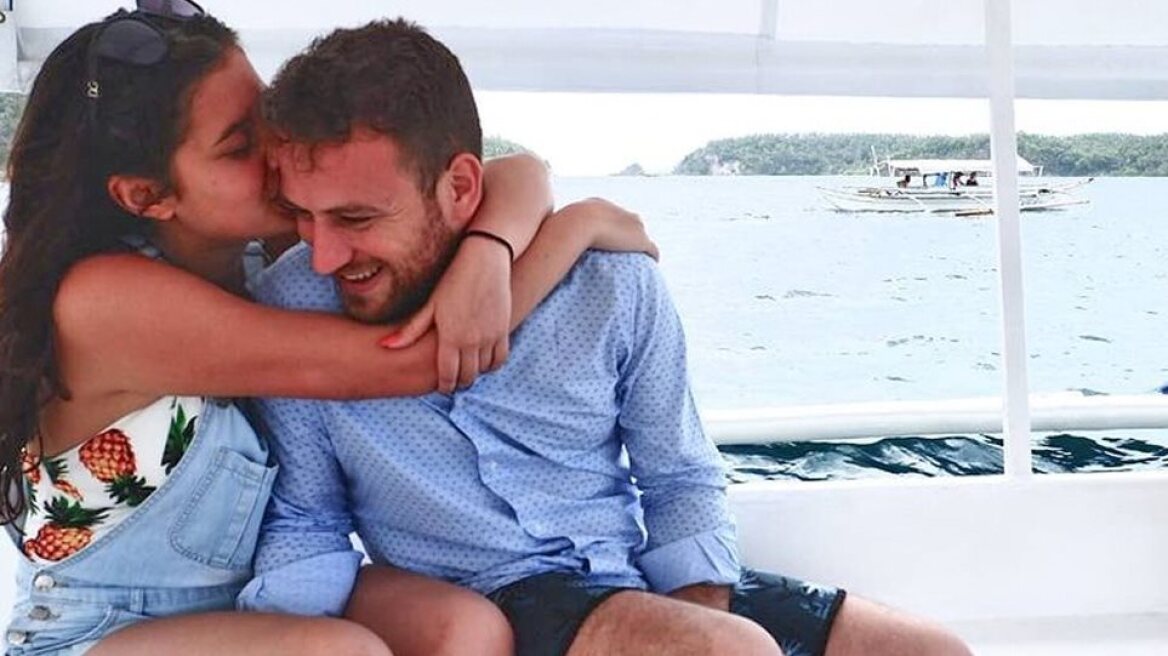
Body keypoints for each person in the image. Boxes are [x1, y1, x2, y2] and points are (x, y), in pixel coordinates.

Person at [241, 18, 973, 656]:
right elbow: (309, 516)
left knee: (932, 652)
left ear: (461, 187)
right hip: (487, 598)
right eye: (304, 215)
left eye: (357, 219)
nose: (323, 254)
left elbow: (679, 477)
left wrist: (694, 617)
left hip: (627, 574)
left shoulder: (612, 282)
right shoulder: (291, 305)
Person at [0, 2, 654, 654]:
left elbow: (501, 172)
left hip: (250, 598)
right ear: (146, 196)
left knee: (465, 627)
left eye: (267, 117)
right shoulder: (105, 303)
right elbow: (424, 357)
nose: (280, 153)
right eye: (239, 146)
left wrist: (490, 246)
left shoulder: (263, 252)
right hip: (102, 629)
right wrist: (575, 230)